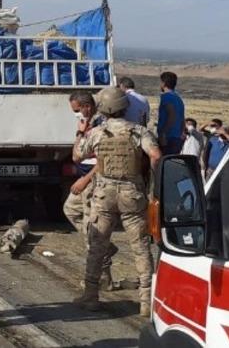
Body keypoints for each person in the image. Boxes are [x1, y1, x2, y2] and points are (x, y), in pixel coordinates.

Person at [74, 86, 161, 317]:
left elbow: (77, 155)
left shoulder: (98, 133)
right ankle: (146, 301)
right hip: (132, 193)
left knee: (96, 246)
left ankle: (91, 297)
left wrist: (81, 132)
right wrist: (152, 186)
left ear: (102, 107)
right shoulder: (138, 131)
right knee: (141, 248)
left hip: (104, 194)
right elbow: (155, 156)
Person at [61, 92, 116, 289]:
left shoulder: (102, 125)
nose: (76, 114)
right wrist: (81, 132)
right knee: (70, 209)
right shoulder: (87, 125)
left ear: (87, 106)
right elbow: (77, 155)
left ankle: (102, 277)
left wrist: (86, 179)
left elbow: (105, 158)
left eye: (77, 110)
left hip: (94, 182)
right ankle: (106, 249)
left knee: (91, 230)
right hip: (84, 177)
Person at [156, 72, 186, 155]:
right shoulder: (178, 98)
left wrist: (163, 133)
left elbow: (171, 115)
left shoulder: (166, 97)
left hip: (168, 138)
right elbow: (182, 119)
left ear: (163, 83)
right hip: (177, 138)